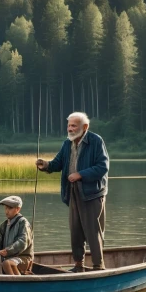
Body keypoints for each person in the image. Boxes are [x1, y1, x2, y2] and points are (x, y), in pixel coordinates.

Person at [36, 112, 109, 272]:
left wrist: (80, 174)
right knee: (75, 230)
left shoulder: (96, 141)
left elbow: (103, 167)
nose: (70, 128)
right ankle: (78, 265)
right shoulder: (67, 144)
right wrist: (46, 165)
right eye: (69, 125)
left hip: (92, 193)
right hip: (73, 193)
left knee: (93, 231)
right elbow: (58, 163)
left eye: (74, 125)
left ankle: (98, 266)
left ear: (85, 127)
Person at [0, 195, 34, 275]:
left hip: (23, 258)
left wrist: (8, 251)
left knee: (7, 263)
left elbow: (22, 242)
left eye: (10, 208)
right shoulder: (4, 225)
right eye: (5, 208)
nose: (7, 211)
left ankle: (16, 285)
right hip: (8, 256)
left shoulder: (23, 223)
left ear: (18, 209)